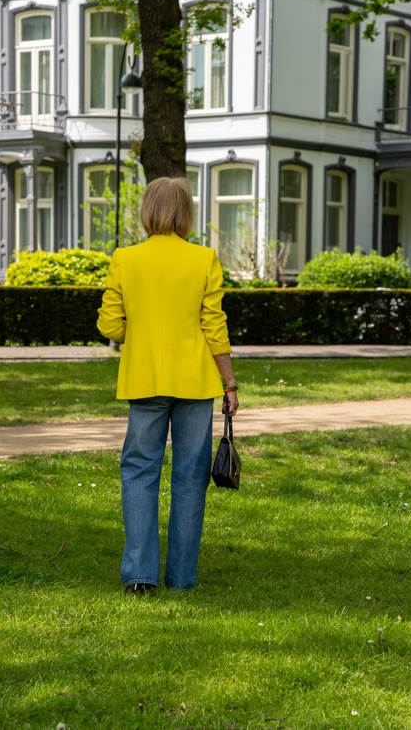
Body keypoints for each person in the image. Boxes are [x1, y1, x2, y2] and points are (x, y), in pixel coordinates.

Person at [97, 176, 239, 594]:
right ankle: (181, 579)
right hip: (195, 381)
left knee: (139, 472)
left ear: (148, 210)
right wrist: (229, 383)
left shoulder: (125, 258)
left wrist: (134, 335)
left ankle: (139, 577)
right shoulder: (204, 258)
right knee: (191, 477)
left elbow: (108, 323)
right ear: (186, 212)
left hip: (144, 380)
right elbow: (213, 324)